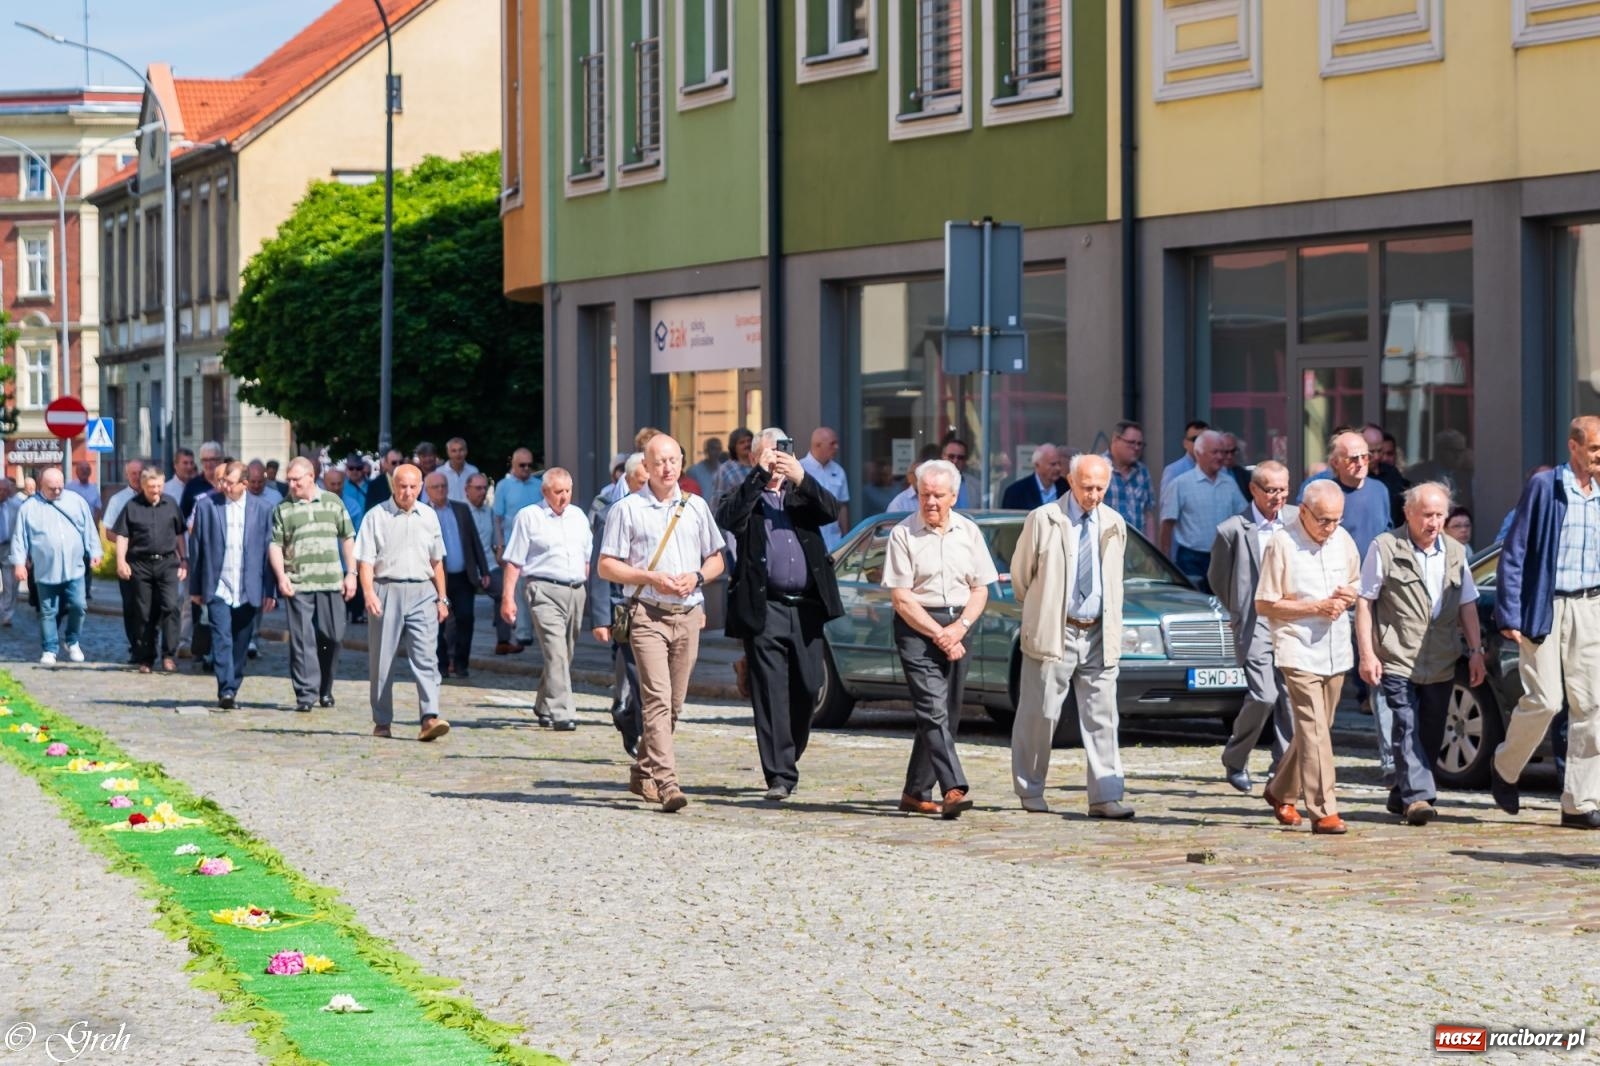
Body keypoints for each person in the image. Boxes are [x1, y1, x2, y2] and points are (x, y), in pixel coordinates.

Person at [598, 433, 726, 812]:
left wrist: (698, 577)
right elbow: (606, 565)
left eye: (673, 460)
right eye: (659, 462)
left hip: (688, 614)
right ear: (646, 468)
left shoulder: (696, 506)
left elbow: (717, 558)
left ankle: (642, 769)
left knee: (674, 704)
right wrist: (649, 577)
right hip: (647, 614)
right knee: (655, 699)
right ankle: (667, 783)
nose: (667, 468)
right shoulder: (627, 509)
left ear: (681, 463)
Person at [718, 427, 844, 800]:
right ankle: (779, 775)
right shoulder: (746, 495)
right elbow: (729, 517)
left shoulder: (800, 494)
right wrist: (759, 476)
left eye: (782, 452)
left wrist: (800, 477)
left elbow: (830, 510)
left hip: (806, 607)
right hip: (765, 606)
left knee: (808, 686)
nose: (777, 459)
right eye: (770, 453)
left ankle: (788, 754)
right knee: (771, 692)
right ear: (756, 456)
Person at [1490, 416, 1600, 829]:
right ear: (1573, 447)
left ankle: (1579, 801)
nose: (1599, 456)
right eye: (1593, 449)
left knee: (1591, 706)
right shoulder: (1546, 487)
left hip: (1592, 606)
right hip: (1546, 606)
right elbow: (1514, 552)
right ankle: (1505, 766)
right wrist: (1510, 612)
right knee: (1546, 700)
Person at [1010, 453, 1133, 818]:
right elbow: (1021, 575)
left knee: (1103, 716)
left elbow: (1114, 577)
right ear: (1070, 481)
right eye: (1086, 487)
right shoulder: (1044, 519)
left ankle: (1106, 796)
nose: (1093, 495)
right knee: (1040, 713)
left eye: (1100, 488)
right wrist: (1043, 610)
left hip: (1097, 632)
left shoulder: (1114, 522)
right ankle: (1030, 790)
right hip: (1055, 630)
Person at [1355, 483, 1486, 826]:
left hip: (1441, 659)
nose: (1434, 522)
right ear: (1408, 514)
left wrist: (1475, 652)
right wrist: (1367, 654)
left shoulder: (1457, 552)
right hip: (1398, 655)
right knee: (1406, 726)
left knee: (1430, 732)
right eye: (1427, 515)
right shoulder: (1385, 547)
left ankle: (1401, 793)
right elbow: (1364, 603)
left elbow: (1468, 605)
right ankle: (1419, 799)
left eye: (1440, 515)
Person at [882, 459, 997, 819]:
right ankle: (953, 787)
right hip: (917, 627)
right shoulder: (903, 533)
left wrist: (959, 628)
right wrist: (940, 634)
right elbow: (901, 598)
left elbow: (980, 588)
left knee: (946, 713)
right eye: (924, 494)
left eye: (938, 495)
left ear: (954, 496)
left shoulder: (968, 531)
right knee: (932, 708)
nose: (930, 502)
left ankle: (916, 792)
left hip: (959, 624)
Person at [1256, 479, 1362, 835]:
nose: (1330, 528)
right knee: (1314, 730)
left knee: (1316, 730)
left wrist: (1348, 595)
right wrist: (1315, 606)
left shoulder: (1342, 540)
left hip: (1335, 648)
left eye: (1336, 520)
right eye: (1323, 520)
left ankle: (1280, 789)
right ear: (1303, 511)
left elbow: (1356, 582)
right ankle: (1323, 809)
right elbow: (1265, 602)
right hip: (1296, 646)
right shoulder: (1281, 543)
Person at [1207, 461, 1298, 794]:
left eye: (1283, 489)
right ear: (1254, 490)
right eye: (1271, 490)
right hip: (1255, 620)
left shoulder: (1297, 520)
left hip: (1290, 618)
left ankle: (1283, 770)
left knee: (1290, 698)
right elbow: (1217, 578)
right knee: (1264, 695)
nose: (1278, 497)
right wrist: (1237, 608)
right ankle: (1235, 757)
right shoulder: (1232, 529)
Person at [356, 463, 451, 742]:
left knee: (427, 658)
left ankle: (429, 717)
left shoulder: (429, 517)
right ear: (394, 487)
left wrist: (442, 598)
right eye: (402, 486)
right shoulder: (377, 516)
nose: (408, 492)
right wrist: (369, 593)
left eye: (413, 487)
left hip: (423, 592)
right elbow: (365, 562)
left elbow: (437, 562)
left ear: (420, 487)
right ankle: (382, 720)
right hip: (387, 589)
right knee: (383, 659)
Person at [501, 468, 592, 730]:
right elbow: (514, 561)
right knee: (555, 651)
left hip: (575, 590)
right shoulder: (529, 517)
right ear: (544, 492)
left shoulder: (578, 516)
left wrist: (583, 584)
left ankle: (543, 703)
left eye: (567, 491)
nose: (564, 497)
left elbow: (587, 556)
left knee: (565, 654)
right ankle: (562, 712)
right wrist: (508, 598)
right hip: (543, 589)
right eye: (557, 492)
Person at [269, 457, 357, 712]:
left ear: (311, 476)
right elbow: (275, 545)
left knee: (333, 636)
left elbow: (348, 538)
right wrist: (281, 576)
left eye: (296, 479)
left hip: (330, 580)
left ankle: (325, 687)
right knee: (302, 639)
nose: (292, 484)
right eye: (290, 480)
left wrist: (351, 573)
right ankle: (305, 694)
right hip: (298, 582)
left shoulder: (332, 502)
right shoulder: (283, 508)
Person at [188, 462, 277, 709]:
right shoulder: (207, 506)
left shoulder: (263, 509)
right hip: (218, 586)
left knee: (241, 640)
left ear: (245, 484)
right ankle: (225, 689)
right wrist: (195, 589)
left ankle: (233, 683)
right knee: (222, 638)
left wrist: (270, 590)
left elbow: (269, 553)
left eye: (230, 482)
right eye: (223, 481)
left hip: (249, 588)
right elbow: (197, 550)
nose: (224, 486)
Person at [589, 453, 648, 756]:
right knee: (638, 676)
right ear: (627, 478)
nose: (646, 487)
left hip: (659, 605)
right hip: (623, 607)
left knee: (654, 685)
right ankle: (634, 723)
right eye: (641, 482)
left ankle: (629, 717)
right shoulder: (610, 512)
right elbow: (599, 568)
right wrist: (600, 617)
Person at [12, 468, 103, 665]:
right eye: (52, 488)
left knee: (79, 606)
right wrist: (19, 563)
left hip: (75, 567)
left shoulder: (76, 501)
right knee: (47, 611)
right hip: (45, 569)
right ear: (41, 486)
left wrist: (95, 551)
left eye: (60, 487)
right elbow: (20, 538)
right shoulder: (29, 507)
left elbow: (89, 528)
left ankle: (72, 640)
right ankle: (49, 648)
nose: (57, 492)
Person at [112, 468, 186, 673]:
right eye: (152, 487)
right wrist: (121, 561)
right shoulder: (132, 506)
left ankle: (169, 654)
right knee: (144, 612)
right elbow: (122, 536)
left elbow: (180, 533)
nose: (156, 491)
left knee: (171, 606)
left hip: (167, 563)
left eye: (159, 486)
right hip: (141, 564)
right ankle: (146, 658)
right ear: (143, 486)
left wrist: (184, 560)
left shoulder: (170, 504)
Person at [422, 470, 490, 679]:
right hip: (435, 579)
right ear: (427, 490)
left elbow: (474, 540)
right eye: (436, 487)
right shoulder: (423, 513)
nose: (441, 490)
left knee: (466, 618)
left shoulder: (460, 509)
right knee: (438, 623)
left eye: (443, 486)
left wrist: (484, 569)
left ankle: (461, 663)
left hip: (462, 575)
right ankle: (442, 665)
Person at [1160, 430, 1246, 590]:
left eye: (1222, 452)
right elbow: (1167, 524)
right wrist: (1165, 561)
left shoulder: (1230, 484)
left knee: (1223, 607)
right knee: (1194, 607)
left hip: (1223, 557)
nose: (1220, 457)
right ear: (1198, 454)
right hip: (1191, 559)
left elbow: (1243, 517)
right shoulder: (1181, 484)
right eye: (1214, 452)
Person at [491, 447, 544, 653]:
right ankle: (522, 634)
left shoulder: (539, 485)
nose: (526, 469)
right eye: (522, 465)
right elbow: (498, 518)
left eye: (530, 465)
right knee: (517, 591)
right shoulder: (504, 486)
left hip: (536, 547)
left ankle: (535, 631)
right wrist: (500, 546)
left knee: (535, 589)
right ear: (513, 465)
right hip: (514, 545)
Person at [463, 472, 506, 656]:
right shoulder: (461, 511)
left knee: (505, 591)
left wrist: (499, 551)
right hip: (466, 567)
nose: (481, 492)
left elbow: (496, 539)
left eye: (484, 488)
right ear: (467, 491)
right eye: (477, 488)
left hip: (489, 564)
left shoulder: (489, 512)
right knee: (462, 611)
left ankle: (503, 640)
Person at [799, 426, 851, 550]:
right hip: (809, 541)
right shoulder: (800, 469)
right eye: (832, 444)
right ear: (818, 445)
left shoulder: (838, 471)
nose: (836, 447)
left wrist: (847, 538)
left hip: (835, 542)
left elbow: (842, 507)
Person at [1102, 420, 1155, 539]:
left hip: (1137, 550)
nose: (1136, 448)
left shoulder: (1142, 472)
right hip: (1108, 547)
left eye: (1140, 444)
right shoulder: (1099, 469)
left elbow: (1148, 514)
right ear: (1115, 440)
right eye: (1131, 443)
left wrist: (1150, 551)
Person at [1158, 419, 1209, 519]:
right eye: (1195, 439)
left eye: (1204, 440)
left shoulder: (1219, 471)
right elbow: (1167, 512)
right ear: (1185, 443)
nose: (1200, 444)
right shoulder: (1174, 471)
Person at [1363, 423, 1410, 527]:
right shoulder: (1357, 476)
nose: (1376, 457)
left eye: (1379, 451)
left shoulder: (1392, 472)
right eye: (1371, 452)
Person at [1000, 444, 1068, 511]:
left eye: (1059, 464)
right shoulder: (1016, 492)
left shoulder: (1066, 488)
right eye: (1053, 464)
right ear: (1037, 465)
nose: (1058, 468)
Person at [710, 428, 755, 513]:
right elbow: (717, 501)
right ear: (734, 447)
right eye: (742, 442)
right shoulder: (725, 470)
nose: (747, 444)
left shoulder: (761, 466)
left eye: (749, 441)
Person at [441, 437, 479, 502]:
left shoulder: (473, 471)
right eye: (454, 451)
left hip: (469, 510)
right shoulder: (439, 473)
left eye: (461, 450)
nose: (458, 454)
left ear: (466, 451)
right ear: (448, 453)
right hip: (449, 511)